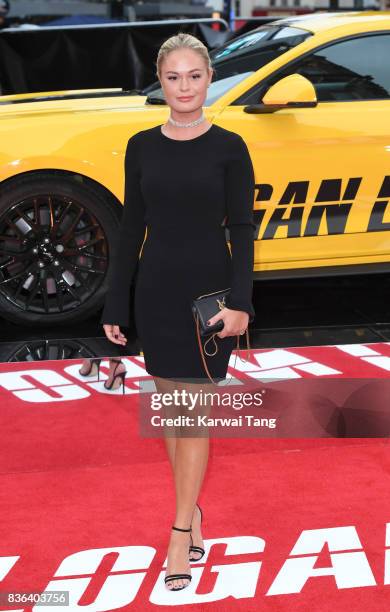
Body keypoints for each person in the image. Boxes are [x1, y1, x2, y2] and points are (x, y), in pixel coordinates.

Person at [100, 32, 255, 591]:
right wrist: (118, 299)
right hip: (157, 292)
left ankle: (179, 529)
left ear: (210, 79)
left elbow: (242, 227)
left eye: (194, 75)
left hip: (208, 297)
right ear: (160, 83)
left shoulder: (230, 146)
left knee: (192, 413)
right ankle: (190, 514)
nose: (185, 86)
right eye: (173, 77)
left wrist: (242, 302)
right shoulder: (141, 145)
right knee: (172, 411)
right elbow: (131, 226)